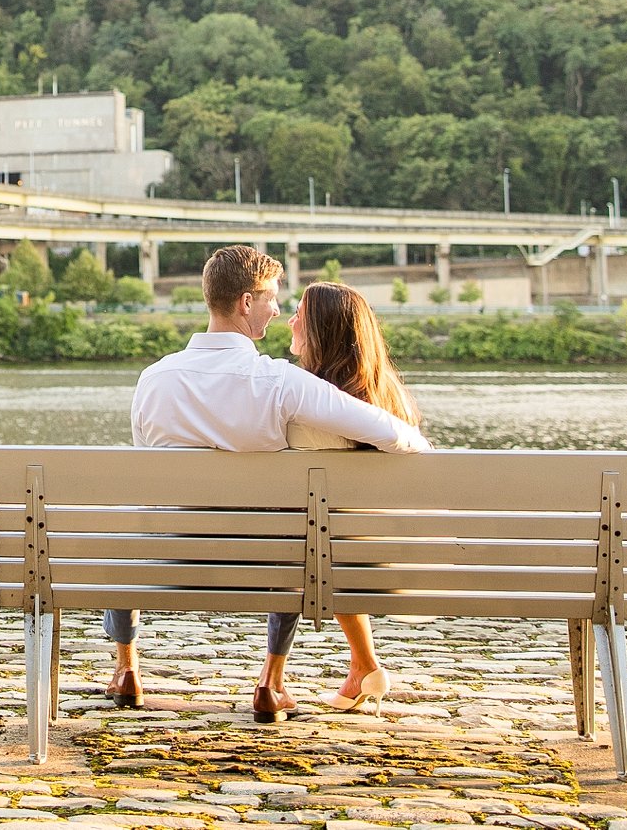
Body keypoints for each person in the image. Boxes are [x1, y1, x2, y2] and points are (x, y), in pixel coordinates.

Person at [106, 246, 429, 723]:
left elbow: (145, 473)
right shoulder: (282, 383)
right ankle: (272, 681)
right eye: (272, 299)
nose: (278, 310)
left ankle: (126, 669)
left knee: (126, 535)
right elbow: (399, 437)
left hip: (164, 558)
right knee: (295, 534)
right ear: (244, 303)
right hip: (259, 563)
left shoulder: (153, 379)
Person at [283, 279, 426, 714]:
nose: (289, 320)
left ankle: (285, 676)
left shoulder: (304, 406)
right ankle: (364, 666)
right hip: (396, 553)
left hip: (320, 555)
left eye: (299, 315)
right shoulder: (389, 399)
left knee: (317, 539)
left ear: (321, 331)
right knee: (335, 536)